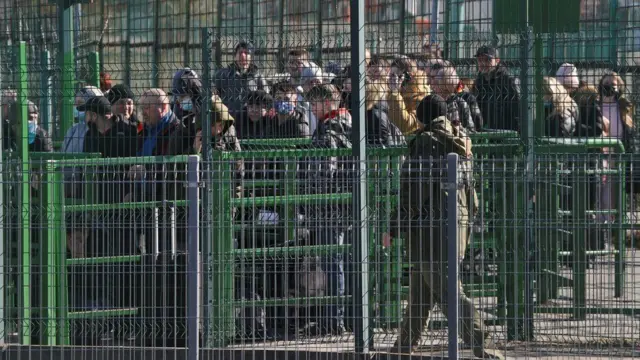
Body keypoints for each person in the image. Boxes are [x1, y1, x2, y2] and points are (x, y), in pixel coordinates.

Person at [388, 94, 504, 360]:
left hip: (430, 229)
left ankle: (483, 343)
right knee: (421, 290)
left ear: (423, 116)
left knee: (448, 290)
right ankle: (404, 345)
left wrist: (395, 225)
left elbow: (413, 192)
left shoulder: (426, 142)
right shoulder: (460, 139)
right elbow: (472, 192)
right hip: (457, 224)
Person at [300, 84, 352, 336]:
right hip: (342, 206)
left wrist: (309, 195)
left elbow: (323, 173)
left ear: (326, 103)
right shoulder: (349, 124)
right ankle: (344, 317)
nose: (311, 108)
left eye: (314, 103)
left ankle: (334, 320)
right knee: (342, 262)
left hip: (328, 207)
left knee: (334, 264)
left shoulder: (328, 132)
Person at [215, 41, 269, 121]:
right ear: (235, 56)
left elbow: (266, 99)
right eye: (240, 53)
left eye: (246, 53)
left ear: (251, 57)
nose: (243, 56)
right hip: (228, 120)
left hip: (250, 121)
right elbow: (214, 95)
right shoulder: (223, 75)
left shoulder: (258, 77)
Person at [473, 46, 521, 131]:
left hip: (507, 131)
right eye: (480, 60)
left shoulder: (509, 80)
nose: (483, 63)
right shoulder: (479, 81)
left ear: (497, 60)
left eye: (488, 60)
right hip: (487, 130)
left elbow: (519, 110)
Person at [387, 56, 432, 135]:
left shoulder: (421, 95)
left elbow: (404, 126)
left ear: (408, 77)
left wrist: (395, 93)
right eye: (392, 76)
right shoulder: (389, 91)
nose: (394, 80)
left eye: (398, 76)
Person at [431, 65, 479, 132]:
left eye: (437, 83)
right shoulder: (431, 102)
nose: (432, 84)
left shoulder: (460, 103)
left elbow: (471, 129)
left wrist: (458, 130)